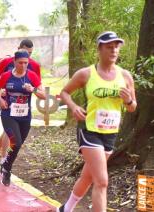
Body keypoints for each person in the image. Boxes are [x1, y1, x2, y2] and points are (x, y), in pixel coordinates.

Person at [58, 31, 136, 212]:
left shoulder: (125, 76)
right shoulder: (86, 74)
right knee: (102, 181)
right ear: (99, 49)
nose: (114, 50)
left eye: (116, 47)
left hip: (110, 133)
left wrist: (128, 101)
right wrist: (74, 107)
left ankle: (66, 209)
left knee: (88, 177)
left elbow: (133, 107)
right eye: (109, 47)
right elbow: (64, 92)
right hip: (89, 130)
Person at [0, 50, 46, 186]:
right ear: (14, 62)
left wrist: (33, 90)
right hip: (8, 114)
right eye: (20, 63)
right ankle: (8, 170)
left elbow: (44, 95)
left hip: (25, 116)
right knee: (15, 142)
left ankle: (6, 165)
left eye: (25, 63)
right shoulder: (6, 76)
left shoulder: (32, 76)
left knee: (18, 145)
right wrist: (0, 100)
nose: (23, 65)